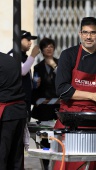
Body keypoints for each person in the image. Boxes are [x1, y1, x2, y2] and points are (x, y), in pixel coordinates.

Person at [54, 17, 96, 170]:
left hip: (95, 121)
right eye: (85, 33)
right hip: (70, 120)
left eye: (93, 33)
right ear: (80, 34)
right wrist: (92, 95)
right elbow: (62, 89)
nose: (89, 37)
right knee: (68, 164)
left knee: (93, 164)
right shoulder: (68, 55)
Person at [31, 37, 59, 170]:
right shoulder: (38, 67)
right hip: (43, 110)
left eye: (51, 46)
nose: (49, 48)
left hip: (58, 109)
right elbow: (35, 88)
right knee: (44, 139)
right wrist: (35, 86)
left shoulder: (59, 64)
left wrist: (54, 65)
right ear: (42, 50)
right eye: (46, 46)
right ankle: (46, 164)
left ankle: (57, 163)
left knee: (58, 138)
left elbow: (64, 80)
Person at [0, 52, 28, 170]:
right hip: (18, 112)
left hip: (6, 113)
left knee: (2, 156)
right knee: (16, 158)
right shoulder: (10, 59)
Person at [7, 30, 40, 121]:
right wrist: (33, 55)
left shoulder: (24, 56)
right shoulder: (13, 54)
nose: (30, 43)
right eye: (28, 40)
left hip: (25, 99)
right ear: (19, 40)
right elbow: (22, 71)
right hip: (17, 101)